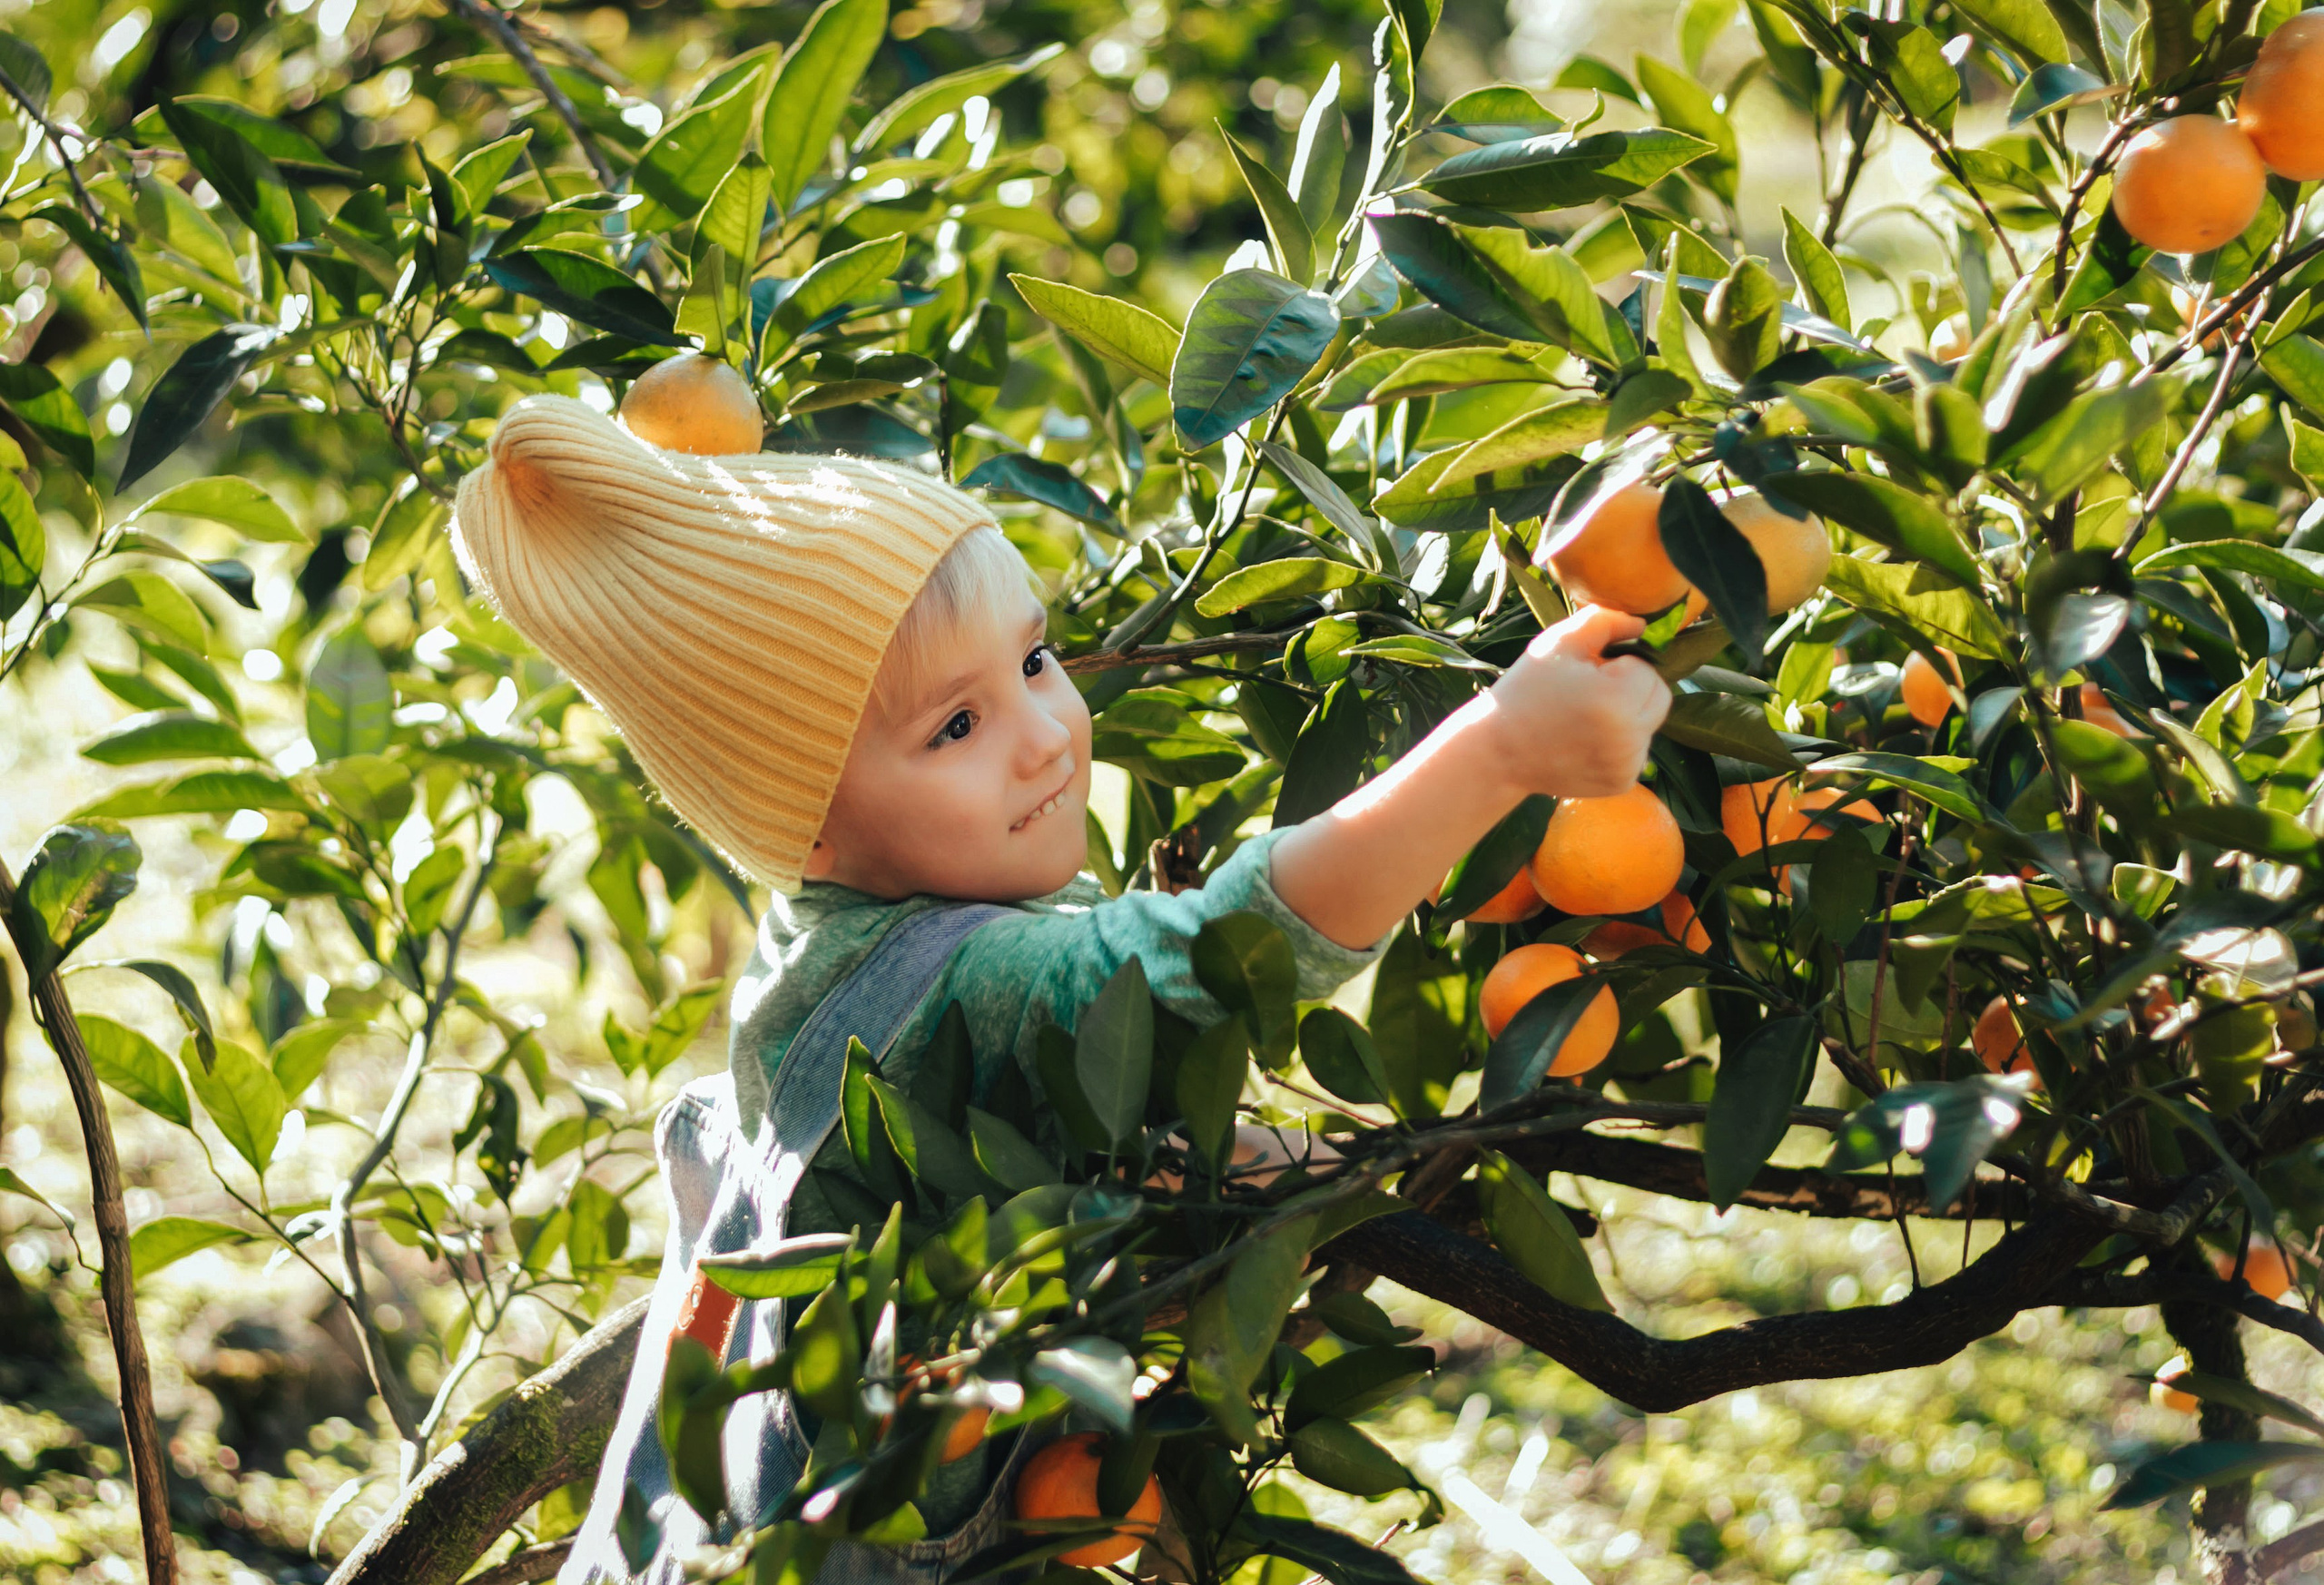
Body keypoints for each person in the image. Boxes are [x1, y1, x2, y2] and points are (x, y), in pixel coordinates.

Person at [450, 390, 1670, 1572]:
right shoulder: (958, 983)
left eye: (1034, 660)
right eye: (957, 727)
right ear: (805, 825)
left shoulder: (832, 931)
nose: (1043, 736)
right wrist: (1498, 748)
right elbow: (1216, 954)